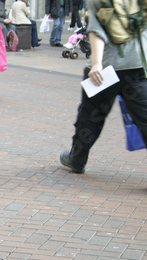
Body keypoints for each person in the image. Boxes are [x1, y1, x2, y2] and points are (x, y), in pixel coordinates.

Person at [60, 0, 147, 174]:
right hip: (138, 65)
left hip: (106, 68)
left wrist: (96, 64)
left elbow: (96, 30)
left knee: (91, 115)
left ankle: (77, 159)